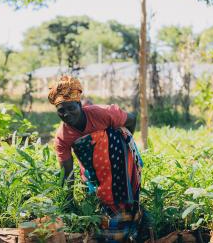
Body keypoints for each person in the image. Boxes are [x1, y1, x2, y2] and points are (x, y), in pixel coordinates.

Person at [48, 75, 147, 242]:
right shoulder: (62, 137)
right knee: (100, 205)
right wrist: (68, 202)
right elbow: (67, 172)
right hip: (93, 167)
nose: (66, 114)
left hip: (118, 156)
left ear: (79, 104)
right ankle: (113, 218)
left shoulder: (101, 113)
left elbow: (131, 119)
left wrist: (125, 143)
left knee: (110, 136)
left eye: (71, 108)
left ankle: (129, 218)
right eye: (61, 111)